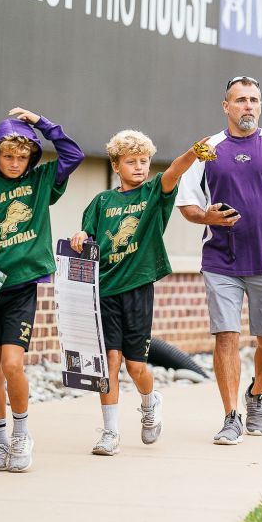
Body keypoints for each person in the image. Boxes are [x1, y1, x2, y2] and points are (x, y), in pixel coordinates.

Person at [175, 76, 262, 445]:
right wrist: (207, 218)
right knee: (226, 336)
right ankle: (230, 416)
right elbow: (187, 205)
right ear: (226, 106)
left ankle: (257, 393)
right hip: (221, 260)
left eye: (254, 100)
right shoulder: (207, 149)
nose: (248, 106)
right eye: (240, 100)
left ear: (260, 105)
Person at [0, 107, 83, 472]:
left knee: (11, 363)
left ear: (31, 158)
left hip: (22, 287)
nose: (15, 163)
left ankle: (23, 435)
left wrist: (41, 123)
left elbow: (74, 154)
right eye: (8, 156)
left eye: (23, 157)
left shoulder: (40, 183)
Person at [69, 130, 210, 456]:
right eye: (130, 162)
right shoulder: (102, 201)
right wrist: (79, 235)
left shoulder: (152, 193)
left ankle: (150, 401)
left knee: (135, 366)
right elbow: (86, 235)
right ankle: (110, 432)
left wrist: (193, 153)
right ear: (116, 165)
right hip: (104, 291)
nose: (138, 167)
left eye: (143, 161)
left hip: (137, 290)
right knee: (109, 363)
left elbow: (173, 171)